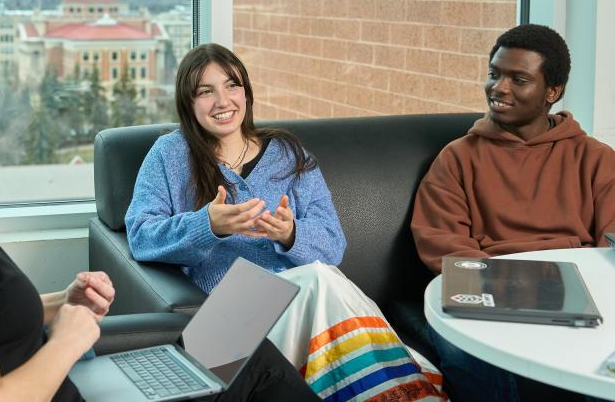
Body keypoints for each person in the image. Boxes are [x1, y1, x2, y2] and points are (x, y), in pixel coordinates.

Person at [0, 24, 313, 402]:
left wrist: (59, 302)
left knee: (233, 342)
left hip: (67, 376)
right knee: (254, 361)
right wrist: (69, 339)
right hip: (64, 381)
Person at [126, 43, 445, 401]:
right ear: (188, 102)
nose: (222, 101)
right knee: (319, 278)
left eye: (232, 86)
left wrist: (292, 233)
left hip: (303, 312)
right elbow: (140, 236)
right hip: (225, 328)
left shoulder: (288, 154)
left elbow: (332, 245)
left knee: (320, 276)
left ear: (246, 92)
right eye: (206, 92)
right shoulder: (169, 154)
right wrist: (208, 225)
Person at [411, 24, 615, 401]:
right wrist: (507, 290)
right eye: (494, 74)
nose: (498, 88)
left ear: (552, 92)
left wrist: (575, 294)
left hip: (580, 296)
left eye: (518, 79)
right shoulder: (457, 158)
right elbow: (443, 243)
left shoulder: (597, 160)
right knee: (465, 346)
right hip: (489, 298)